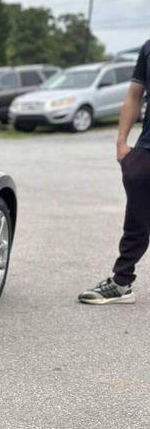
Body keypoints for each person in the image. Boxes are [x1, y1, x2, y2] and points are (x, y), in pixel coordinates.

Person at [79, 39, 150, 305]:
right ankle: (121, 283)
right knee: (137, 219)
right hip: (146, 148)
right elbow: (134, 94)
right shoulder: (148, 47)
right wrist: (122, 142)